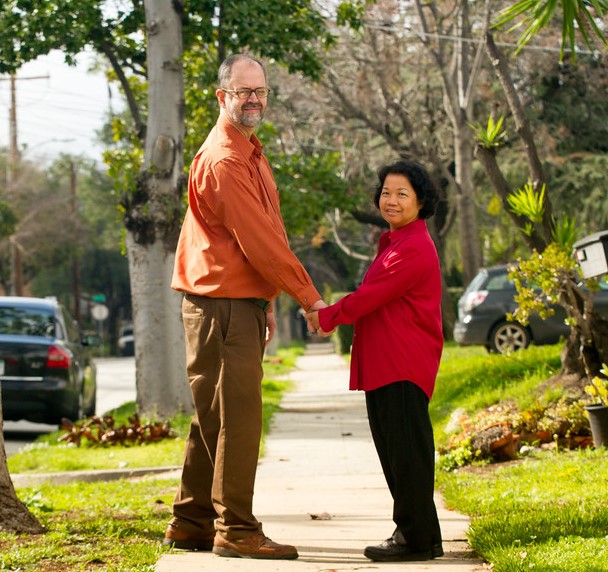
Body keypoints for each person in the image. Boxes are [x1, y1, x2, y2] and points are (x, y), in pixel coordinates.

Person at [165, 53, 326, 560]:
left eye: (260, 91)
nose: (253, 99)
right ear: (222, 96)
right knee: (238, 419)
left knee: (213, 417)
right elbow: (262, 244)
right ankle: (236, 529)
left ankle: (191, 520)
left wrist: (269, 299)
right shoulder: (226, 160)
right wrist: (311, 297)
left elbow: (263, 235)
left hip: (236, 301)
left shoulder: (251, 151)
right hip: (221, 306)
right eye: (243, 91)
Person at [306, 159, 444, 562]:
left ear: (421, 202)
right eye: (386, 192)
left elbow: (370, 298)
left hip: (402, 364)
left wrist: (326, 316)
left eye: (402, 193)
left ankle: (415, 540)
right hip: (388, 364)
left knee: (406, 456)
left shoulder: (413, 248)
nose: (391, 200)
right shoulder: (396, 243)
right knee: (401, 454)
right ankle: (421, 535)